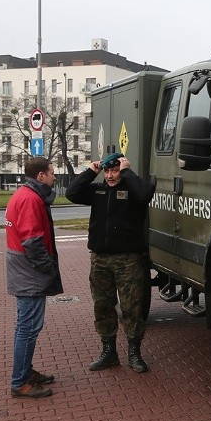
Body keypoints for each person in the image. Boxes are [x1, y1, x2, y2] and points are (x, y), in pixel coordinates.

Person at [65, 152, 155, 373]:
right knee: (102, 305)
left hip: (128, 260)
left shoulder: (133, 189)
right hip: (100, 260)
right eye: (107, 171)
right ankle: (109, 352)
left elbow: (145, 195)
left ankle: (134, 353)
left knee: (131, 308)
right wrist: (90, 171)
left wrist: (127, 171)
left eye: (114, 170)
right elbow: (71, 193)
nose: (110, 175)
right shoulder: (98, 190)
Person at [4, 156, 63, 398]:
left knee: (26, 326)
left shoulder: (24, 194)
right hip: (30, 271)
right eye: (51, 172)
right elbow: (32, 240)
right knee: (28, 327)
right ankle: (20, 381)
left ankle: (26, 372)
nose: (54, 176)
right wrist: (47, 268)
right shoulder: (30, 199)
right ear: (40, 175)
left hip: (23, 268)